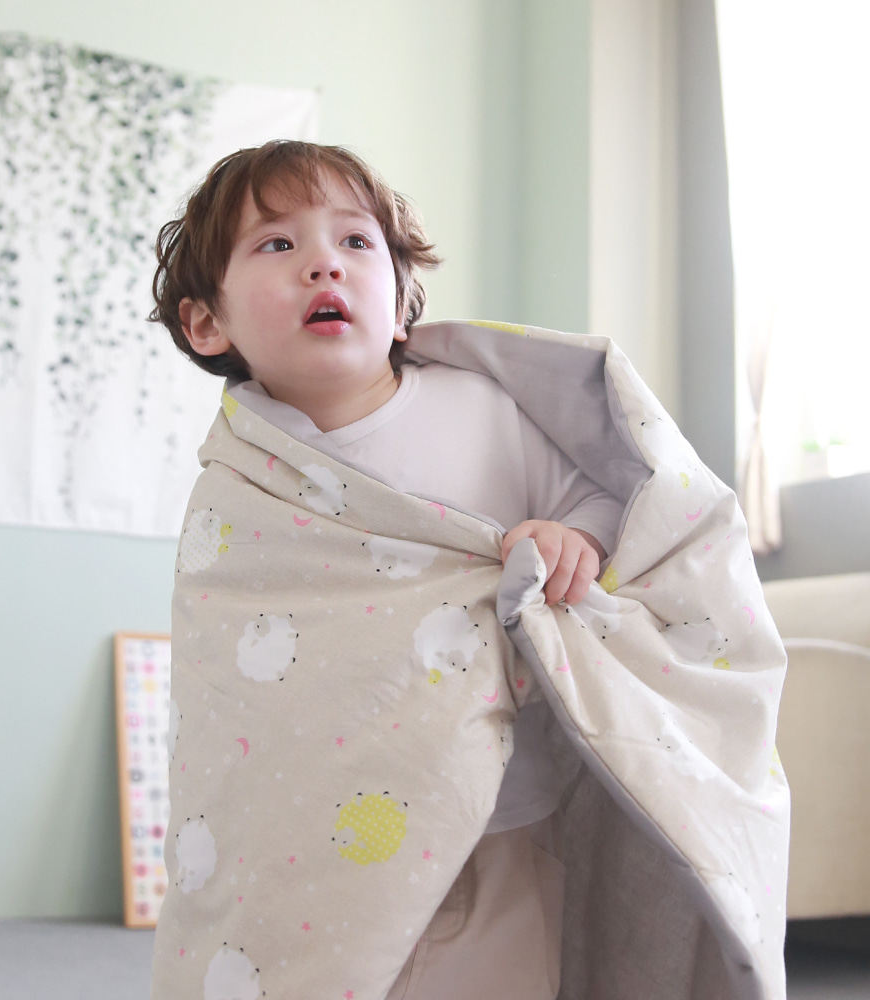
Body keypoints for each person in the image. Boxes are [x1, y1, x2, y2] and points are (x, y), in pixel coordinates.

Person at [150, 140, 624, 999]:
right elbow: (228, 683)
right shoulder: (241, 480)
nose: (323, 263)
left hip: (494, 816)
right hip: (304, 832)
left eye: (356, 242)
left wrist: (571, 538)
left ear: (402, 302)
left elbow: (603, 499)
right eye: (278, 243)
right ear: (207, 323)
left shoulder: (482, 411)